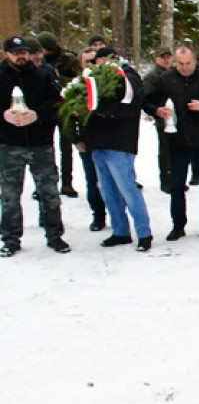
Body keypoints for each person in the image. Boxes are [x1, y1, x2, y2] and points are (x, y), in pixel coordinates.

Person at [143, 44, 199, 240]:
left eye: (188, 63)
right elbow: (146, 101)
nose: (185, 67)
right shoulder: (166, 79)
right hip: (177, 140)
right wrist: (157, 111)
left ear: (195, 61)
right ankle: (178, 225)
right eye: (180, 64)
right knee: (177, 185)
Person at [0, 35, 71, 256]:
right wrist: (4, 115)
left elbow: (58, 104)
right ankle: (11, 239)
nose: (21, 56)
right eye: (16, 53)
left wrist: (37, 115)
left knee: (49, 192)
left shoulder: (43, 76)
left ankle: (55, 235)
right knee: (10, 195)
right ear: (6, 54)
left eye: (24, 52)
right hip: (10, 144)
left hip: (41, 143)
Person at [79, 48, 152, 251]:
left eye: (101, 59)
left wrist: (101, 110)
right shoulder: (91, 78)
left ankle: (144, 232)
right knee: (108, 190)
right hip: (98, 142)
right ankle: (120, 230)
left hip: (120, 142)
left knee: (127, 188)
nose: (98, 63)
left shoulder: (128, 77)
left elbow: (131, 105)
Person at [37, 31, 81, 197]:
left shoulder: (69, 59)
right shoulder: (36, 61)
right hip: (46, 109)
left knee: (66, 147)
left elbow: (78, 81)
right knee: (45, 148)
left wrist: (58, 78)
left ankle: (67, 183)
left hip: (65, 108)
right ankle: (45, 183)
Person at [72, 46, 107, 231]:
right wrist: (76, 138)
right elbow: (68, 116)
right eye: (87, 61)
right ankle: (98, 215)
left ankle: (120, 215)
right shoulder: (77, 85)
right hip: (88, 140)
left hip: (111, 140)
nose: (91, 64)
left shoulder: (110, 82)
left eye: (94, 60)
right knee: (93, 180)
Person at [143, 47, 174, 192]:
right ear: (156, 59)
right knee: (166, 149)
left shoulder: (174, 73)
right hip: (163, 116)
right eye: (163, 57)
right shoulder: (152, 76)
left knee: (177, 149)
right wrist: (156, 110)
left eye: (168, 57)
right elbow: (146, 98)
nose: (166, 60)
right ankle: (166, 180)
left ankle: (175, 178)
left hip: (176, 116)